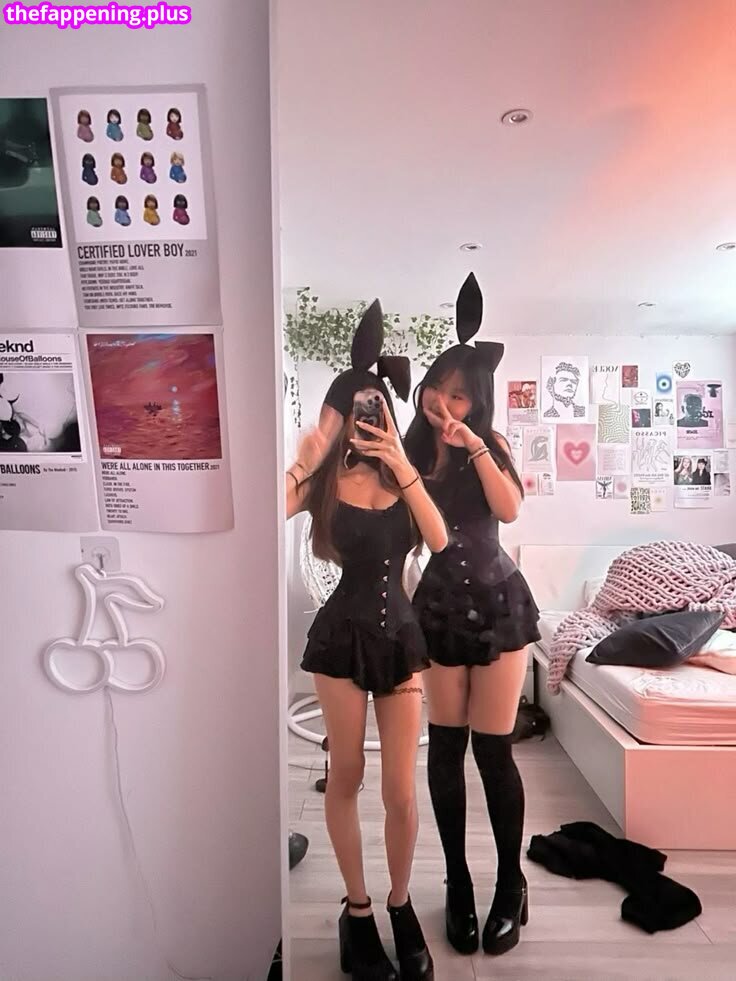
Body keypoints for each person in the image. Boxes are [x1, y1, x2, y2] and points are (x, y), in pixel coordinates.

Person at [286, 301, 447, 981]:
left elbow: (439, 539)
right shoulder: (324, 483)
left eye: (372, 406)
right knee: (347, 773)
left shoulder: (406, 477)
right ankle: (357, 912)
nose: (364, 419)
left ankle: (400, 903)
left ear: (386, 409)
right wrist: (311, 452)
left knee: (401, 790)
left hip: (400, 637)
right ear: (339, 414)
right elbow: (268, 508)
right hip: (340, 639)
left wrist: (400, 463)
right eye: (351, 409)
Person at [405, 272, 541, 958]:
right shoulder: (409, 451)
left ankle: (510, 883)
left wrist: (476, 444)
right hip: (436, 610)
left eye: (459, 394)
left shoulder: (491, 445)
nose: (444, 401)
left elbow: (510, 510)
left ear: (477, 399)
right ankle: (457, 882)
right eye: (438, 387)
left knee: (493, 750)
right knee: (445, 749)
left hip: (498, 607)